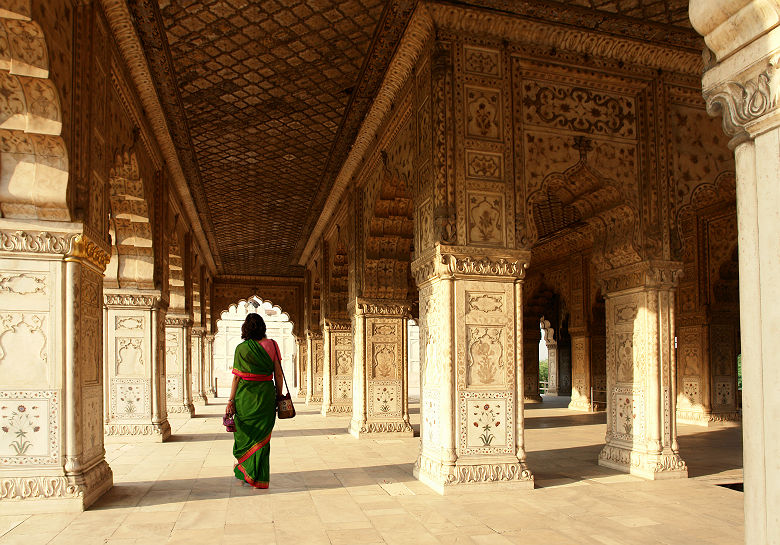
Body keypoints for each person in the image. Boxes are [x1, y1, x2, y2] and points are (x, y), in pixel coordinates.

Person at [226, 313, 283, 489]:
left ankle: (246, 469)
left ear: (245, 329)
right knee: (263, 437)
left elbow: (236, 379)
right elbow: (278, 374)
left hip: (245, 398)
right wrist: (279, 396)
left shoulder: (241, 349)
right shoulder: (272, 345)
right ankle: (259, 477)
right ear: (263, 327)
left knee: (245, 434)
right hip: (266, 397)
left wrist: (231, 401)